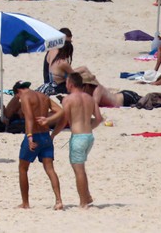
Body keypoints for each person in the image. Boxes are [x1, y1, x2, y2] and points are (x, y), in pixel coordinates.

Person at [42, 72, 101, 208]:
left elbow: (63, 121)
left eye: (67, 82)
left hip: (78, 137)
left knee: (78, 170)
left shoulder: (68, 99)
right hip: (89, 136)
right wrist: (89, 127)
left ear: (71, 84)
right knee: (81, 168)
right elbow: (98, 118)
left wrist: (53, 135)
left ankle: (83, 202)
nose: (66, 85)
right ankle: (87, 196)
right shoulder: (90, 98)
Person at [13, 81, 63, 210]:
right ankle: (58, 200)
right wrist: (49, 121)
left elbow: (29, 118)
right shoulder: (43, 96)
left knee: (23, 168)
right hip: (46, 135)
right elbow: (61, 111)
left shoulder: (25, 97)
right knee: (50, 169)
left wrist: (29, 137)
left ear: (18, 92)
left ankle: (25, 203)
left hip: (34, 135)